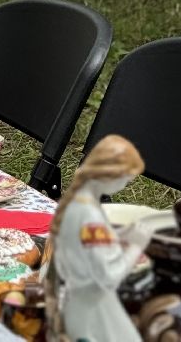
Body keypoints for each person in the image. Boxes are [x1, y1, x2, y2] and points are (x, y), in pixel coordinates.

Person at [46, 134, 148, 342]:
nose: (124, 186)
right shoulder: (91, 218)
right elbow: (108, 277)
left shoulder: (78, 202)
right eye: (125, 180)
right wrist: (137, 245)